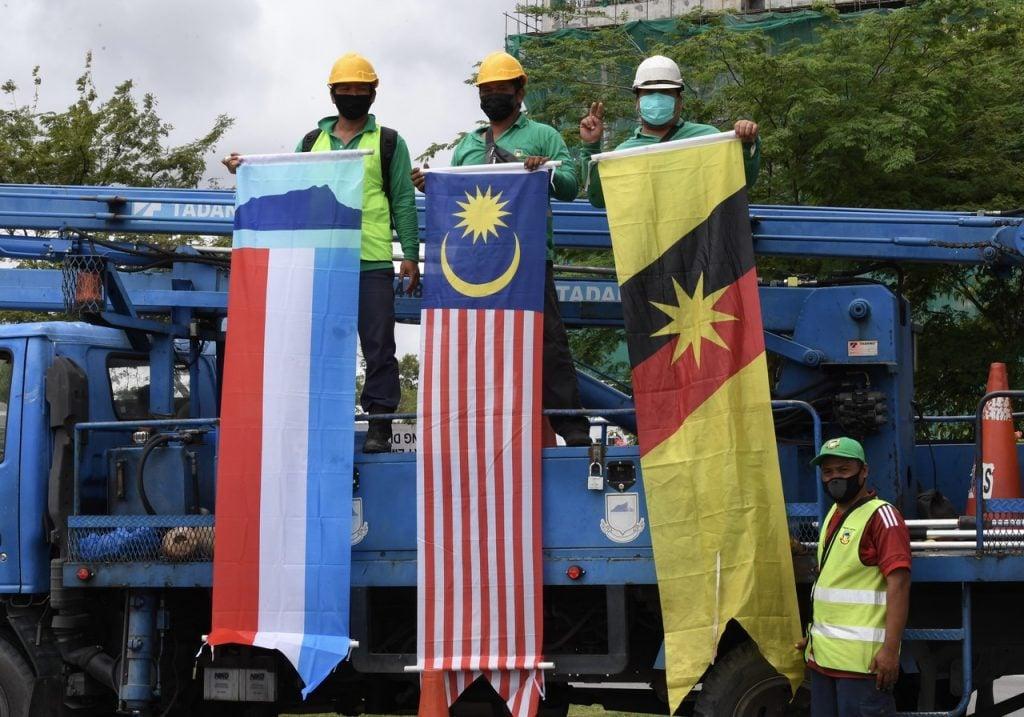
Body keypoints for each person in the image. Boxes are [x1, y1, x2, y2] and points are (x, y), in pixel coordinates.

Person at [223, 53, 420, 454]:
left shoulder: (388, 142)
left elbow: (402, 199)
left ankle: (380, 423)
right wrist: (245, 169)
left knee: (379, 345)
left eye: (359, 89)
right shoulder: (312, 143)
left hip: (372, 259)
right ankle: (317, 420)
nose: (352, 95)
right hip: (322, 259)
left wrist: (411, 254)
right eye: (345, 89)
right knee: (316, 344)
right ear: (332, 94)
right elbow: (284, 181)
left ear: (372, 93)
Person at [411, 51, 592, 447]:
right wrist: (432, 186)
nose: (493, 96)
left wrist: (544, 167)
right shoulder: (467, 146)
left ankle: (573, 429)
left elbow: (569, 187)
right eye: (486, 90)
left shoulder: (543, 136)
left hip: (528, 258)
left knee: (547, 343)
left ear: (520, 90)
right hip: (476, 261)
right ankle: (473, 426)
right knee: (477, 343)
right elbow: (455, 197)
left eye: (500, 89)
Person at [796, 437, 911, 717]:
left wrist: (890, 651)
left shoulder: (882, 516)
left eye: (843, 470)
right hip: (824, 662)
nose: (835, 477)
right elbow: (834, 587)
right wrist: (812, 639)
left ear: (864, 472)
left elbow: (900, 583)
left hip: (863, 668)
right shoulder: (834, 515)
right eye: (828, 472)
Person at [579, 55, 761, 208]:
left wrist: (746, 145)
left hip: (700, 245)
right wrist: (590, 146)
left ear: (679, 101)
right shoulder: (625, 153)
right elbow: (599, 199)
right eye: (649, 93)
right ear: (637, 102)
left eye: (665, 92)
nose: (657, 99)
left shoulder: (707, 138)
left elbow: (739, 181)